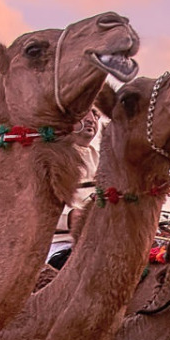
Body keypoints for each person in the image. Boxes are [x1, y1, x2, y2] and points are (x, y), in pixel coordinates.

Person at [47, 108, 103, 267]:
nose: (91, 119)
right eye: (84, 112)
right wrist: (70, 217)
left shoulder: (104, 159)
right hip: (59, 245)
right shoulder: (49, 158)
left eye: (95, 115)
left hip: (100, 243)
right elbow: (30, 209)